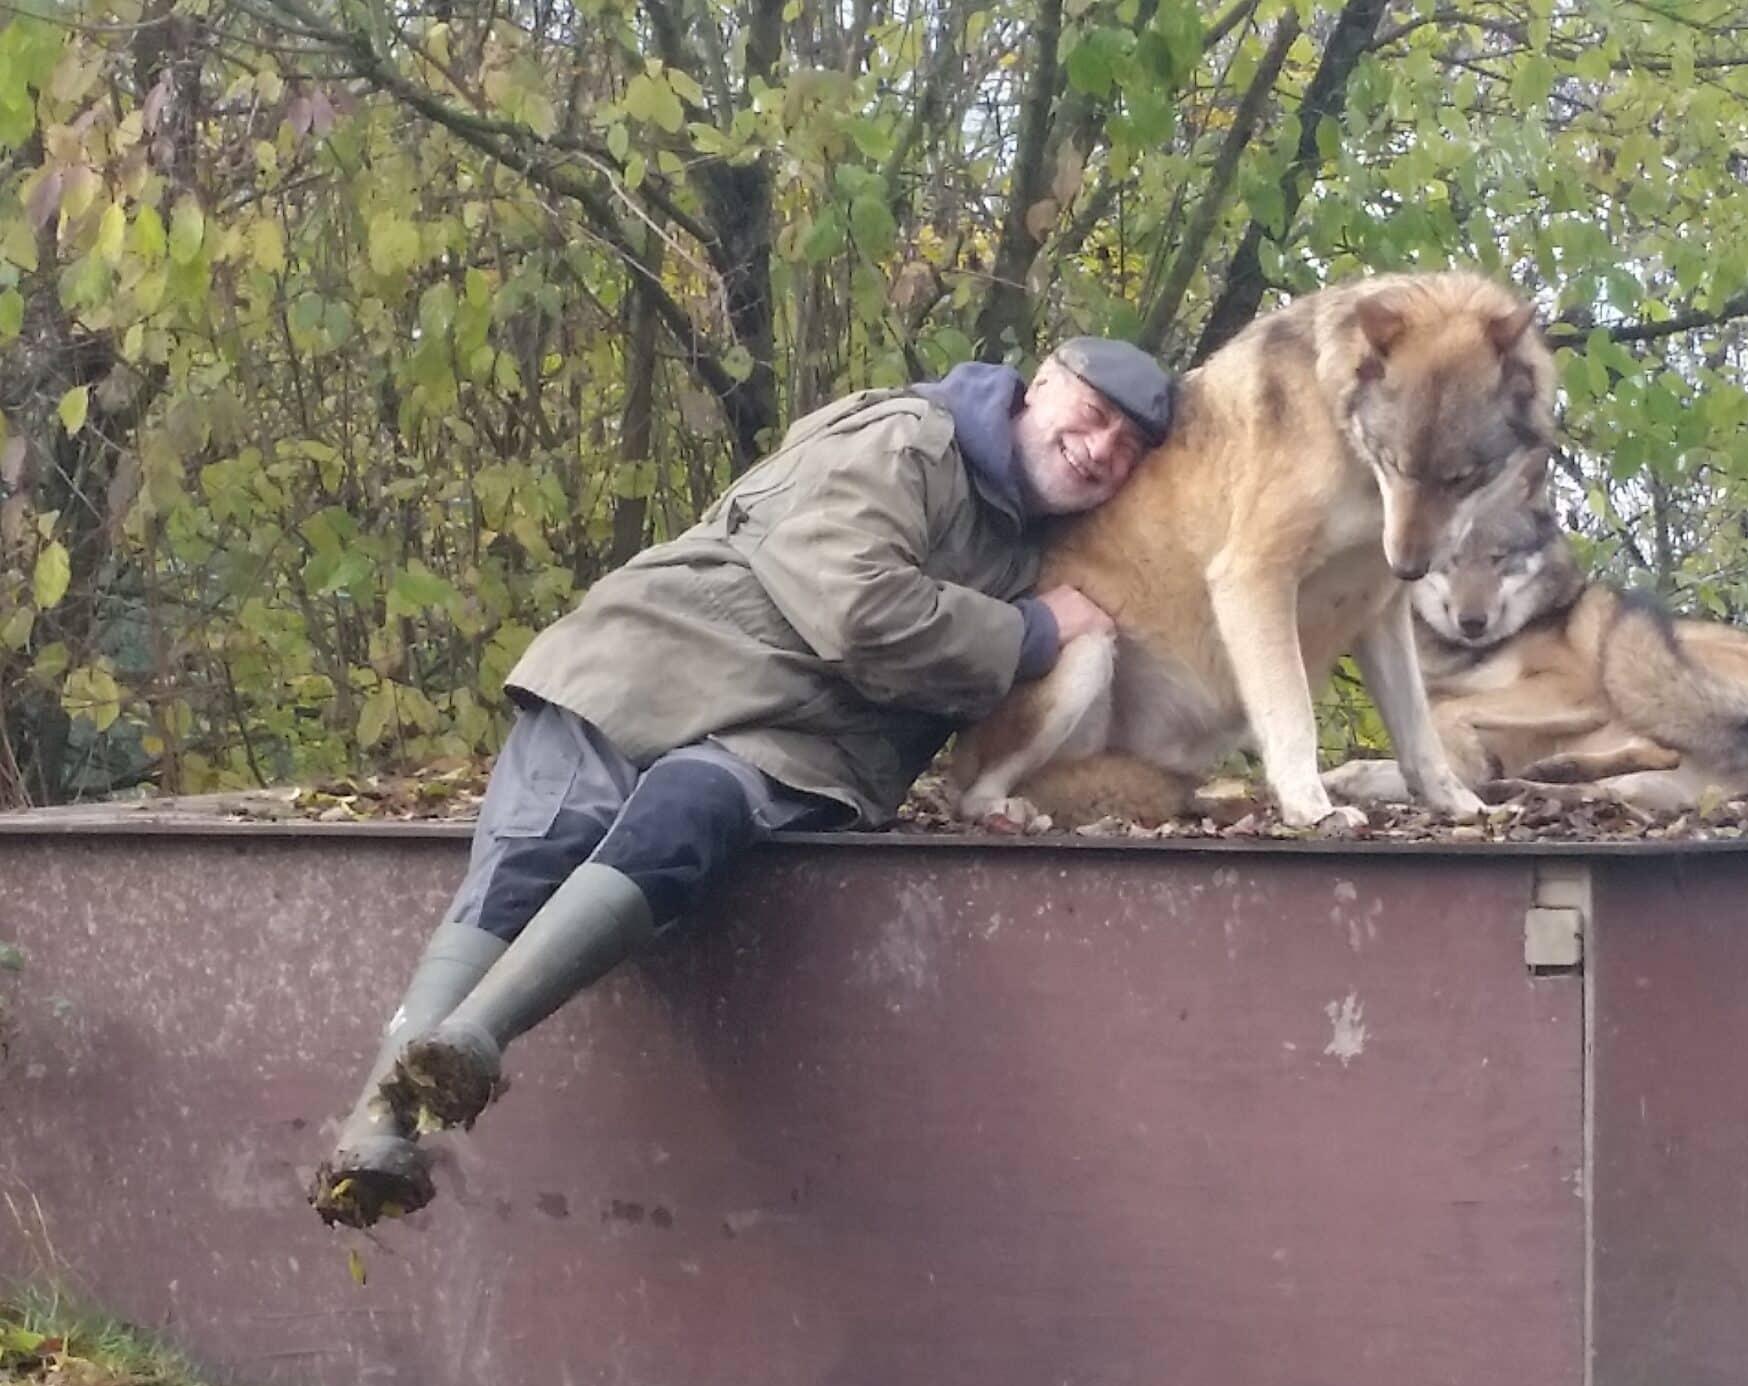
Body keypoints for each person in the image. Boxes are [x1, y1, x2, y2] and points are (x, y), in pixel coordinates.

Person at [311, 338, 1175, 1228]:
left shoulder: (1039, 543)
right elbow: (858, 608)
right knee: (538, 850)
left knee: (691, 814)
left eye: (1129, 450)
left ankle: (474, 1038)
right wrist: (1032, 632)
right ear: (1041, 387)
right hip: (653, 659)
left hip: (795, 740)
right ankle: (378, 1127)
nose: (1103, 450)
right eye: (1095, 415)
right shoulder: (910, 441)